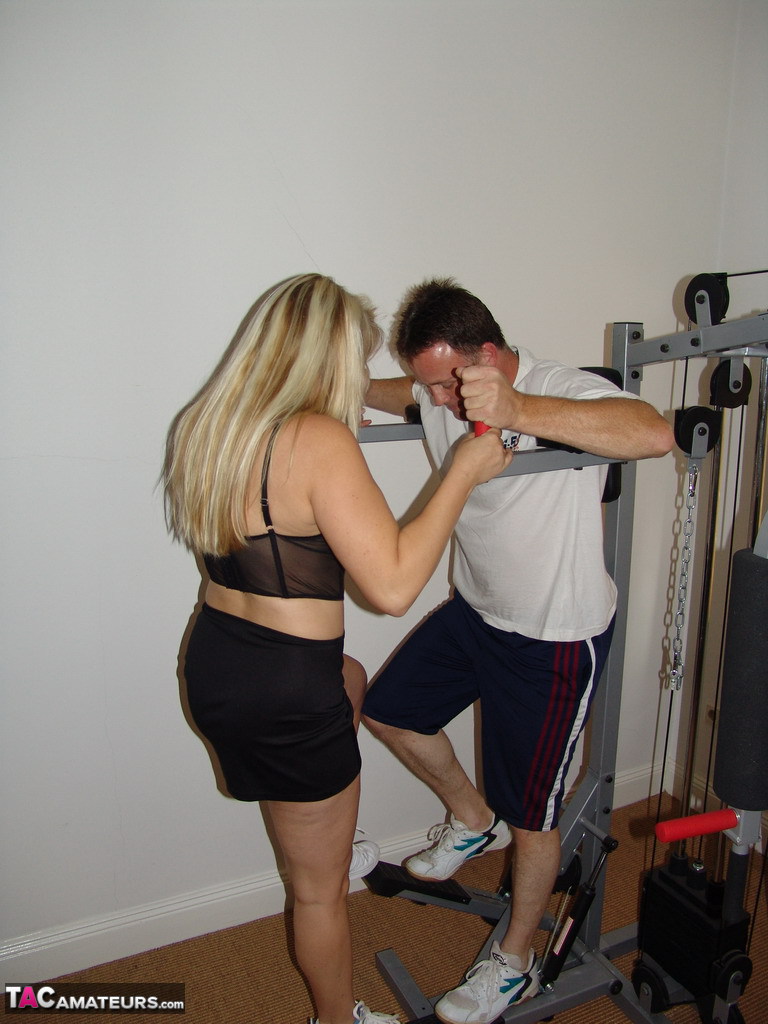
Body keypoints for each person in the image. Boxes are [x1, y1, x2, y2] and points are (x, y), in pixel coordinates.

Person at [162, 273, 511, 1024]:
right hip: (284, 691)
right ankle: (334, 1016)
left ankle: (330, 838)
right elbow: (391, 587)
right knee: (318, 894)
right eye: (354, 360)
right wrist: (462, 470)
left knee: (349, 677)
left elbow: (292, 530)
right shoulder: (318, 440)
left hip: (216, 663)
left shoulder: (211, 424)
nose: (358, 376)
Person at [361, 278, 675, 1024]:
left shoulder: (557, 389)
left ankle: (515, 960)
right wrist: (341, 384)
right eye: (430, 386)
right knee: (388, 710)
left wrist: (518, 410)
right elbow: (398, 392)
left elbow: (652, 433)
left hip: (553, 639)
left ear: (489, 355)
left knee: (534, 816)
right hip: (476, 614)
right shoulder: (437, 391)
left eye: (449, 384)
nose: (438, 401)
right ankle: (473, 819)